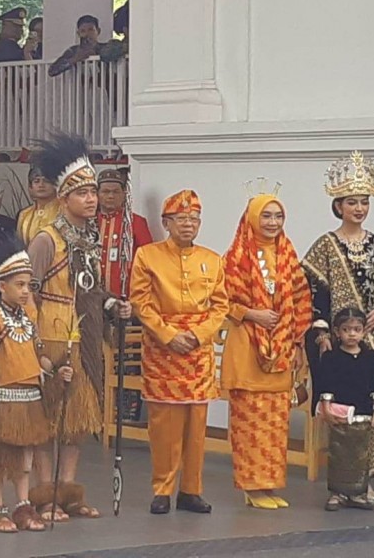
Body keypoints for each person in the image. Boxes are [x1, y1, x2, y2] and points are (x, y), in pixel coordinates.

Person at [26, 133, 132, 522]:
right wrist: (32, 346)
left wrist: (111, 304)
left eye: (94, 192)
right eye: (84, 193)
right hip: (50, 336)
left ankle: (68, 493)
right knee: (47, 422)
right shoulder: (45, 240)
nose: (92, 199)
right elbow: (25, 295)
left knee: (77, 422)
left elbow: (94, 288)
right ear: (64, 197)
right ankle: (44, 496)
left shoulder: (89, 239)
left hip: (82, 336)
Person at [130, 189, 229, 515]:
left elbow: (220, 306)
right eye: (181, 219)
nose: (189, 224)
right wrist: (169, 334)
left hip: (197, 352)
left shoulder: (212, 260)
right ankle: (162, 489)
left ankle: (191, 490)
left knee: (197, 427)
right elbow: (140, 303)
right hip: (163, 350)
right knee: (164, 427)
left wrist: (199, 334)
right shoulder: (147, 256)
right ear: (166, 222)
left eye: (194, 219)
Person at [301, 151, 374, 475]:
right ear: (338, 205)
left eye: (364, 202)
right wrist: (323, 332)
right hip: (340, 337)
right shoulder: (325, 245)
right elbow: (313, 291)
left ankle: (369, 462)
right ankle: (342, 463)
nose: (359, 209)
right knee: (341, 395)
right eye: (353, 202)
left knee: (373, 394)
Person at [221, 190, 312, 510]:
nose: (273, 222)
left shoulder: (288, 254)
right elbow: (220, 302)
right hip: (247, 349)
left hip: (281, 351)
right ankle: (251, 487)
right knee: (249, 423)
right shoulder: (235, 257)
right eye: (266, 216)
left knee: (275, 424)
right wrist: (251, 314)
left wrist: (298, 340)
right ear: (251, 219)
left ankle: (270, 484)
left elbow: (302, 300)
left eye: (278, 216)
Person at [0, 239, 56, 533]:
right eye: (19, 285)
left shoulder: (29, 319)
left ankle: (22, 504)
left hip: (29, 397)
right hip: (2, 397)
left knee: (26, 456)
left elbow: (37, 355)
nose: (25, 291)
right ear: (2, 285)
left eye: (29, 286)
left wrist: (57, 369)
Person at [313, 307, 374, 511]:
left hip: (363, 412)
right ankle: (338, 493)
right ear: (337, 332)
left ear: (364, 332)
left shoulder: (370, 357)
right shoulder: (331, 358)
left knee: (361, 454)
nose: (351, 334)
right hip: (340, 413)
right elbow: (325, 385)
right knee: (339, 451)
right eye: (346, 329)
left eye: (356, 329)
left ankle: (360, 491)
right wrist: (326, 407)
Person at [96, 168, 153, 298]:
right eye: (105, 191)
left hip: (126, 298)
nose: (111, 196)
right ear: (97, 194)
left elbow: (148, 261)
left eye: (116, 192)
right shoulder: (87, 223)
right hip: (92, 300)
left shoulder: (136, 222)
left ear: (123, 194)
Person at [16, 164, 60, 245]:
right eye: (36, 181)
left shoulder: (64, 211)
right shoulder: (25, 214)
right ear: (30, 187)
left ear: (56, 185)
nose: (41, 185)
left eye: (46, 181)